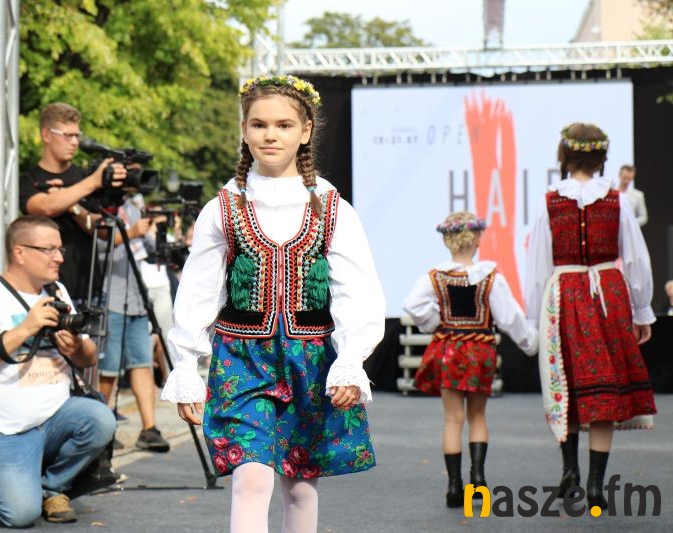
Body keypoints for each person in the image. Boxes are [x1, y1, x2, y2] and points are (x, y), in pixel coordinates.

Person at [161, 74, 385, 533]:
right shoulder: (223, 207)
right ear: (244, 129)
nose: (270, 135)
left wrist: (350, 359)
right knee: (250, 479)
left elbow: (356, 290)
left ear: (305, 131)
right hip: (242, 359)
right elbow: (199, 290)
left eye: (284, 125)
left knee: (300, 486)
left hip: (310, 360)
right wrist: (186, 366)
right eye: (259, 124)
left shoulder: (331, 208)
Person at [524, 123, 656, 510]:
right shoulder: (618, 201)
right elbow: (636, 259)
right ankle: (596, 483)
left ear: (565, 156)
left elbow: (537, 267)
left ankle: (570, 471)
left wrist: (533, 319)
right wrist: (642, 310)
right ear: (601, 158)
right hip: (608, 296)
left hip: (565, 295)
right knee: (604, 388)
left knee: (566, 382)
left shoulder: (549, 202)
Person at [0, 215, 115, 527]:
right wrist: (24, 329)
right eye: (49, 249)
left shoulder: (56, 291)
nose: (59, 257)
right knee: (20, 516)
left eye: (60, 249)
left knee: (100, 420)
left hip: (56, 417)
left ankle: (51, 487)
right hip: (4, 428)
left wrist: (75, 347)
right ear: (20, 252)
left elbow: (89, 357)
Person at [404, 212, 538, 508]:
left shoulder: (435, 276)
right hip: (480, 351)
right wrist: (531, 342)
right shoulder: (490, 277)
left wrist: (436, 321)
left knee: (453, 419)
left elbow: (413, 305)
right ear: (476, 239)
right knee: (478, 416)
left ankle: (454, 487)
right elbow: (509, 318)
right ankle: (478, 479)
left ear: (448, 240)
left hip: (450, 350)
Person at [19, 102, 126, 303]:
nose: (75, 142)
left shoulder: (83, 177)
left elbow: (103, 231)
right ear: (46, 135)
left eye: (77, 136)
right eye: (68, 136)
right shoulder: (29, 180)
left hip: (90, 293)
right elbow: (46, 206)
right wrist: (92, 182)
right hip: (46, 294)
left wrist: (72, 206)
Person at [97, 196, 171, 452]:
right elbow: (99, 249)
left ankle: (149, 428)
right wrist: (130, 232)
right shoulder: (101, 208)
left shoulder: (132, 207)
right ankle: (102, 427)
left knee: (142, 363)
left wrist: (156, 232)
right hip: (111, 298)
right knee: (108, 369)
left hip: (138, 299)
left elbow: (149, 250)